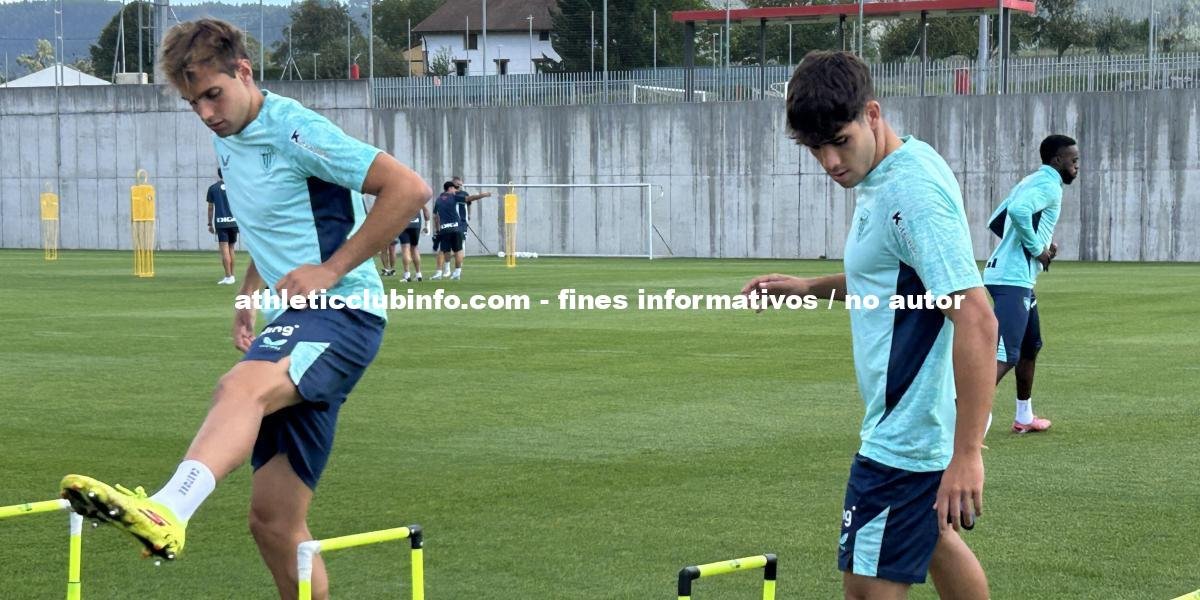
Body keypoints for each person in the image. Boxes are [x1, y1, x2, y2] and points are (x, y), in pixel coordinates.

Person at [59, 19, 431, 600]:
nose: (206, 113)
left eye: (213, 94)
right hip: (300, 318)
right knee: (275, 524)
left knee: (238, 389)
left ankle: (167, 509)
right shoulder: (227, 135)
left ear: (243, 72)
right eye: (192, 103)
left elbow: (408, 189)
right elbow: (271, 220)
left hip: (344, 311)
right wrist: (248, 293)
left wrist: (330, 270)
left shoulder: (295, 130)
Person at [741, 51, 996, 599]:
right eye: (816, 149)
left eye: (840, 141)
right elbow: (892, 279)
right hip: (918, 421)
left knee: (864, 588)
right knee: (935, 543)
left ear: (872, 114)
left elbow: (976, 316)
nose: (830, 161)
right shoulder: (893, 171)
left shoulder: (910, 195)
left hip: (904, 434)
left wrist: (967, 452)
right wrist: (811, 288)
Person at [983, 134, 1079, 434]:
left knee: (1029, 346)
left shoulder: (1031, 181)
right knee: (1005, 355)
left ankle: (1024, 417)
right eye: (1073, 161)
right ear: (1056, 161)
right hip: (1011, 280)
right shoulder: (1049, 185)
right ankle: (970, 422)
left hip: (1014, 276)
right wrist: (1037, 250)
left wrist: (1040, 243)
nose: (1077, 166)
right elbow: (1017, 212)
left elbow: (996, 221)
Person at [435, 176, 491, 279]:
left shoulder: (463, 194)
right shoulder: (448, 196)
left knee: (459, 248)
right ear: (452, 185)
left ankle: (456, 270)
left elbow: (469, 204)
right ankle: (447, 269)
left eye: (460, 185)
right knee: (448, 249)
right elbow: (437, 213)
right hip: (451, 224)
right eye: (457, 185)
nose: (459, 187)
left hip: (462, 223)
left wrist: (468, 216)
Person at [206, 168, 238, 284]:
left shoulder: (213, 188)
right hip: (234, 221)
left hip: (221, 222)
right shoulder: (235, 187)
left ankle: (228, 276)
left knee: (224, 249)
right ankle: (232, 275)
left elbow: (210, 208)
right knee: (231, 248)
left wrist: (209, 223)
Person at [431, 181, 464, 280]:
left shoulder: (442, 199)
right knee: (453, 250)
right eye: (454, 188)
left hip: (449, 228)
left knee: (446, 250)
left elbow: (435, 216)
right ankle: (452, 271)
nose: (456, 190)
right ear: (450, 188)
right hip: (452, 228)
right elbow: (436, 215)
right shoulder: (450, 197)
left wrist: (437, 230)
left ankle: (442, 272)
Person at [397, 203, 430, 282]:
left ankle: (407, 275)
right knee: (414, 248)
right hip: (416, 223)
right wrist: (427, 226)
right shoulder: (417, 194)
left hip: (403, 223)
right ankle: (418, 274)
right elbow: (426, 210)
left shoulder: (399, 195)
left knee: (405, 248)